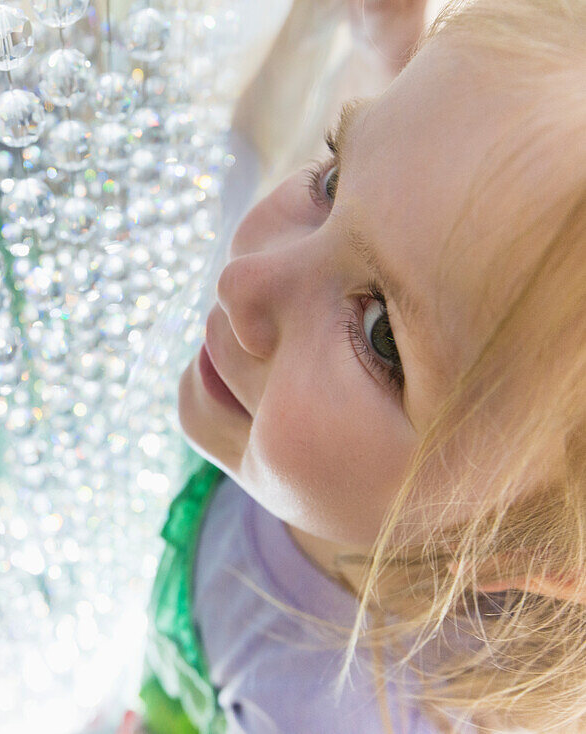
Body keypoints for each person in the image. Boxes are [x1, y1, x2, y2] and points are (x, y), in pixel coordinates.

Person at [127, 0, 586, 732]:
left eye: (380, 338)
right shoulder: (309, 418)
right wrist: (390, 52)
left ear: (516, 545)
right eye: (333, 180)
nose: (243, 282)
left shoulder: (337, 711)